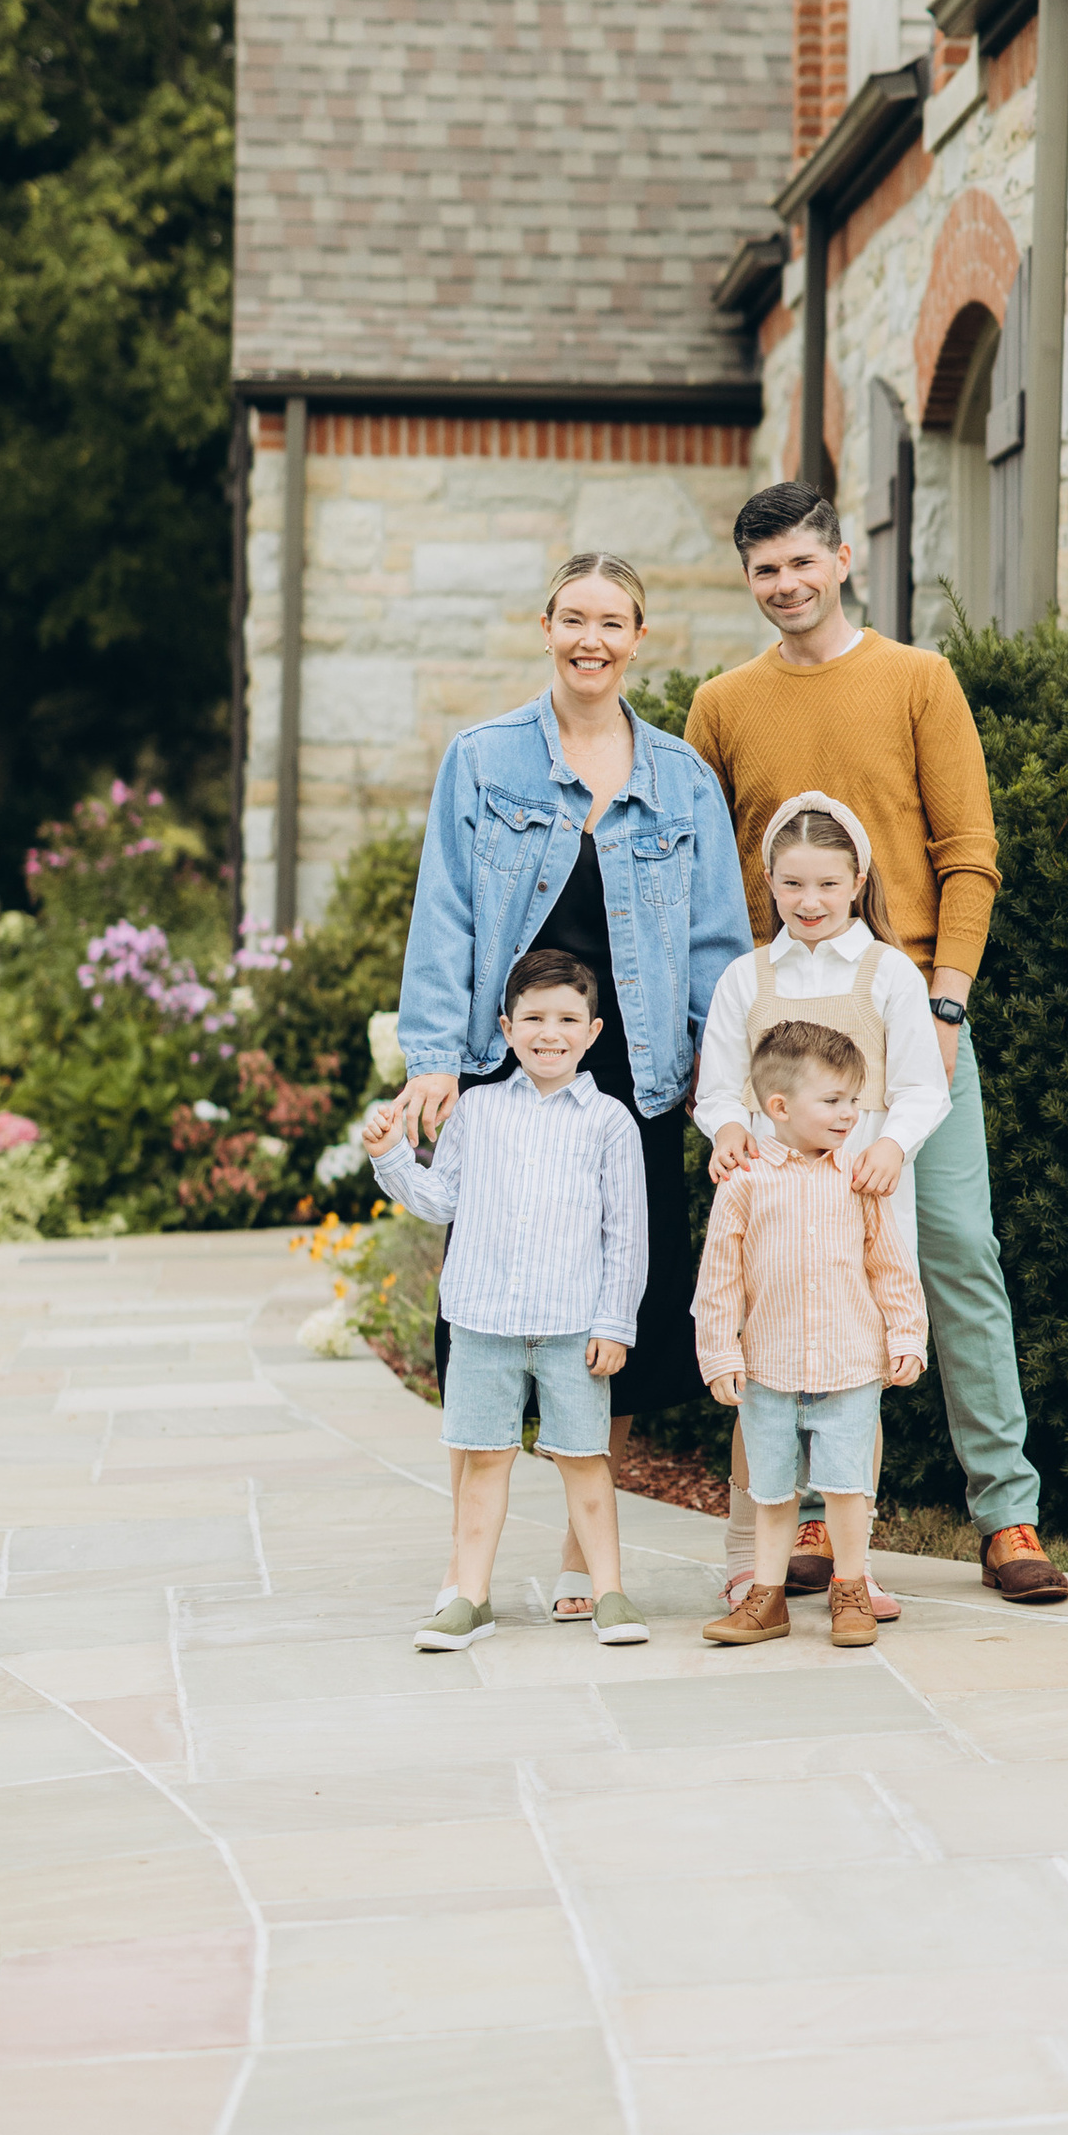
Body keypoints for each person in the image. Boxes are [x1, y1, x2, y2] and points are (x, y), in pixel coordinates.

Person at [683, 482, 1068, 1604]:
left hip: (908, 1022)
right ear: (750, 579)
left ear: (843, 558)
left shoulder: (917, 681)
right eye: (764, 571)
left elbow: (969, 853)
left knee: (956, 1254)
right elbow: (718, 891)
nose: (786, 585)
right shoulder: (720, 705)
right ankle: (798, 1522)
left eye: (803, 562)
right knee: (781, 1269)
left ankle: (1008, 1515)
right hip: (781, 1041)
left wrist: (946, 1010)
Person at [395, 551, 750, 1615]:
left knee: (616, 1303)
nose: (591, 639)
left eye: (613, 622)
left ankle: (574, 1552)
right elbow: (446, 913)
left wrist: (713, 1082)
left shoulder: (681, 776)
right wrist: (435, 1062)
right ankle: (469, 1567)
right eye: (573, 619)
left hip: (635, 1070)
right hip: (507, 1062)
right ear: (545, 627)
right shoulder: (483, 759)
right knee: (493, 1308)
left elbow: (715, 943)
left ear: (640, 638)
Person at [692, 790, 949, 1598]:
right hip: (767, 1196)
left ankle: (852, 1569)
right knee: (761, 1370)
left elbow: (921, 1085)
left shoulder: (888, 973)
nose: (809, 903)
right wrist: (728, 1130)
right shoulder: (749, 975)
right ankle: (747, 1557)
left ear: (857, 880)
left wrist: (889, 1145)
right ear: (768, 881)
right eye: (792, 884)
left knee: (853, 1377)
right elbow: (719, 1086)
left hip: (859, 1185)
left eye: (828, 886)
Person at [366, 947, 649, 1650]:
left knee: (585, 1460)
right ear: (505, 1026)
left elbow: (626, 1234)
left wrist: (615, 1322)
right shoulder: (479, 1110)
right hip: (484, 1321)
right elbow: (440, 1201)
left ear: (594, 1030)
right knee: (483, 1460)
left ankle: (609, 1590)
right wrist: (391, 1155)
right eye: (533, 1018)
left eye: (566, 1018)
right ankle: (469, 1597)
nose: (549, 1032)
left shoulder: (609, 1122)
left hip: (571, 1327)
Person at [694, 1019, 928, 1650]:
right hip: (768, 1368)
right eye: (834, 1101)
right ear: (779, 1106)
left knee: (849, 1487)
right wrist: (719, 1352)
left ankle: (849, 1587)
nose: (851, 1114)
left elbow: (890, 1264)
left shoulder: (859, 1179)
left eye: (854, 1100)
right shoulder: (742, 1183)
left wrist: (907, 1336)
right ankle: (764, 1599)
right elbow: (719, 1279)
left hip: (850, 1366)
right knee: (772, 1492)